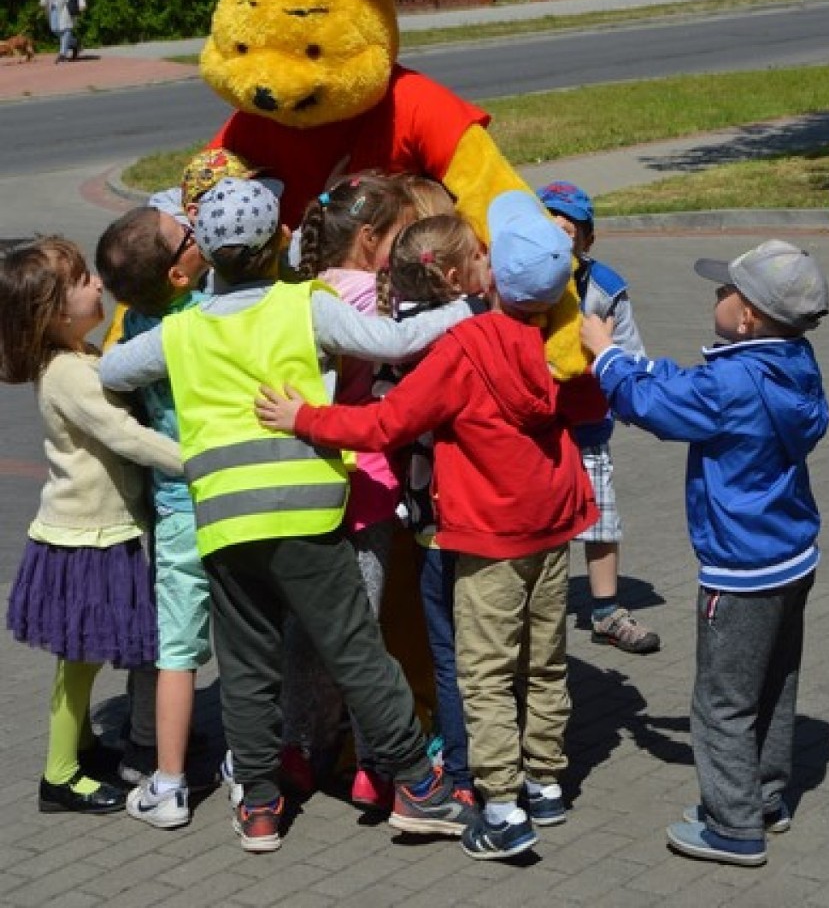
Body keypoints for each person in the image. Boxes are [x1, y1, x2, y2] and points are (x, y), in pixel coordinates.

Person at [98, 177, 481, 854]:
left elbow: (112, 373)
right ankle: (419, 787)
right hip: (305, 513)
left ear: (208, 256)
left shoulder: (182, 332)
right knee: (357, 652)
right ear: (280, 241)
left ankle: (261, 808)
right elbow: (391, 342)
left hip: (223, 522)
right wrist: (471, 308)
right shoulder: (306, 306)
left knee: (245, 668)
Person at [256, 191, 606, 861]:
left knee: (484, 671)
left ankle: (500, 805)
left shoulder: (464, 346)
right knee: (544, 660)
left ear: (492, 277)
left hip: (487, 535)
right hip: (554, 525)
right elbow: (589, 404)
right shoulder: (559, 344)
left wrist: (306, 418)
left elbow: (387, 422)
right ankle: (550, 782)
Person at [581, 239, 829, 868]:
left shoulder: (731, 383)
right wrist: (648, 366)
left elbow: (654, 407)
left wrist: (605, 356)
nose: (715, 296)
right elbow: (694, 386)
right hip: (791, 557)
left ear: (746, 317)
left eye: (726, 291)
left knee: (721, 701)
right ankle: (765, 796)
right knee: (774, 684)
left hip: (738, 571)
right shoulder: (792, 362)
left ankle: (732, 825)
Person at [0, 237, 182, 816]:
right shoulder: (69, 375)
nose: (97, 285)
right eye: (82, 281)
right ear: (53, 310)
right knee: (77, 660)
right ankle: (59, 776)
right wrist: (190, 458)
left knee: (81, 655)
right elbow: (122, 434)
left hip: (97, 531)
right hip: (85, 538)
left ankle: (78, 746)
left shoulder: (78, 358)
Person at [281, 171, 417, 810]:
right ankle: (376, 760)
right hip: (366, 479)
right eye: (397, 236)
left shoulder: (300, 289)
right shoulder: (368, 294)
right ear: (368, 238)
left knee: (308, 630)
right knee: (363, 633)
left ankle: (302, 746)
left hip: (306, 476)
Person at [96, 205, 211, 828]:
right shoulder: (205, 317)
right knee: (252, 636)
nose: (194, 234)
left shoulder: (135, 328)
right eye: (185, 236)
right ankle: (255, 773)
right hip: (219, 499)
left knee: (177, 646)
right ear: (178, 275)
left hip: (172, 509)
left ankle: (167, 782)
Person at [373, 213, 491, 811]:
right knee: (468, 651)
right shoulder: (472, 331)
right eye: (479, 256)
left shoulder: (389, 333)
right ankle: (470, 767)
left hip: (420, 518)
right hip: (469, 513)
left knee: (445, 648)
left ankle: (450, 760)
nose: (487, 264)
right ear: (451, 274)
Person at [537, 181, 660, 655]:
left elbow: (631, 356)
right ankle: (537, 610)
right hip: (532, 429)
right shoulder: (512, 281)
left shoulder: (605, 288)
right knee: (540, 521)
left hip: (586, 424)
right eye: (548, 228)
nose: (559, 238)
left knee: (601, 518)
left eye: (569, 231)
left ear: (586, 241)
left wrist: (633, 394)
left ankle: (606, 610)